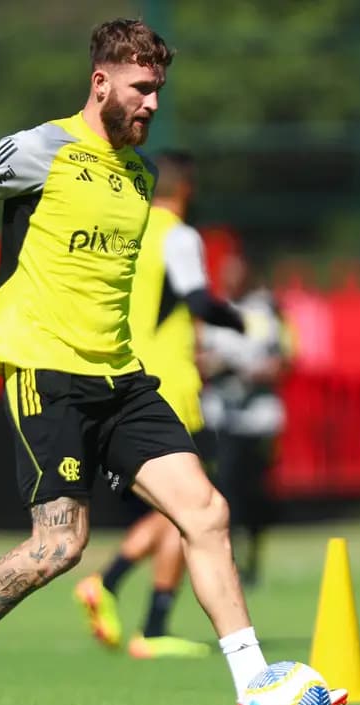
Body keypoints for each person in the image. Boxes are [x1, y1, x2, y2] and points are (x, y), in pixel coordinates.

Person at [0, 19, 343, 705]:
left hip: (122, 379)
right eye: (140, 89)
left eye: (159, 92)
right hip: (46, 372)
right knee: (59, 546)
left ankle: (255, 690)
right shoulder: (38, 150)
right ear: (100, 82)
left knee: (205, 510)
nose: (151, 105)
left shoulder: (140, 180)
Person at [74, 150, 246, 660]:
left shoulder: (127, 229)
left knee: (180, 511)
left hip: (121, 380)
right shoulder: (178, 235)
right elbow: (197, 301)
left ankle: (136, 609)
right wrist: (242, 323)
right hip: (169, 386)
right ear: (187, 189)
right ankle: (127, 603)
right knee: (192, 507)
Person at [199, 253, 292, 588]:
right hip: (222, 415)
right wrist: (214, 366)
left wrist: (252, 372)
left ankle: (253, 553)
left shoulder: (266, 310)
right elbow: (198, 356)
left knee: (255, 492)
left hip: (258, 417)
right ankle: (228, 556)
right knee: (224, 489)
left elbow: (285, 359)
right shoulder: (215, 311)